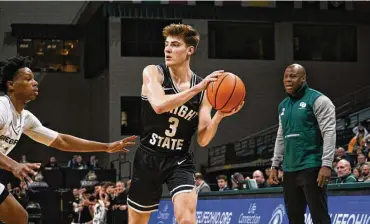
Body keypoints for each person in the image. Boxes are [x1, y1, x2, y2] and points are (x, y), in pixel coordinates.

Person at [127, 23, 243, 224]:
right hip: (148, 157)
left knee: (187, 220)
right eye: (166, 44)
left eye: (174, 45)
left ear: (190, 50)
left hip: (179, 160)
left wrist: (219, 116)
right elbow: (159, 106)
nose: (168, 49)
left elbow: (203, 139)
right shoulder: (154, 73)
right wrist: (197, 88)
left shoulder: (204, 91)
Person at [0, 56, 136, 224]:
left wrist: (106, 147)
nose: (35, 83)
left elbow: (62, 141)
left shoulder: (25, 118)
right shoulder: (2, 108)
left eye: (34, 79)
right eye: (28, 79)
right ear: (11, 85)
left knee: (19, 218)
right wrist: (14, 165)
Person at [269, 64, 336, 224]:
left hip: (312, 166)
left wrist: (326, 164)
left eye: (293, 76)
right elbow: (281, 136)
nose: (288, 80)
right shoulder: (283, 105)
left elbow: (329, 133)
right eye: (286, 76)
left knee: (320, 218)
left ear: (303, 78)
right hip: (290, 169)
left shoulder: (319, 100)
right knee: (294, 218)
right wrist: (275, 165)